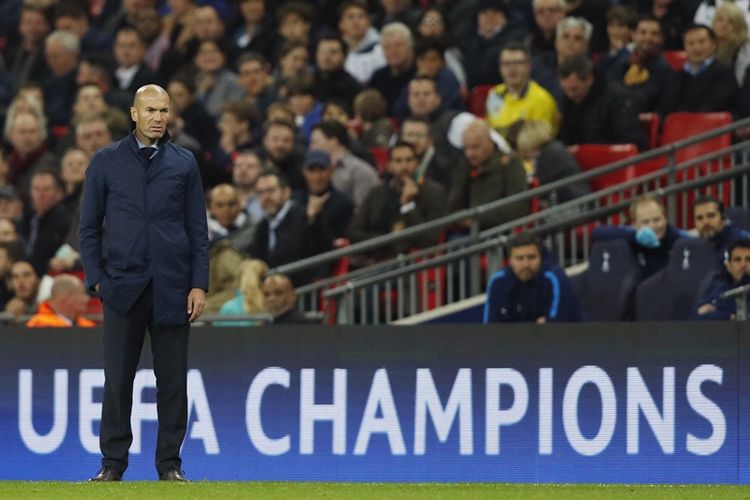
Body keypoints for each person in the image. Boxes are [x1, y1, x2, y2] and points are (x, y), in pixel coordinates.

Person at [79, 84, 209, 482]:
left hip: (172, 288)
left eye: (164, 110)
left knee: (173, 382)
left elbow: (197, 231)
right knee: (117, 379)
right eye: (150, 109)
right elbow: (87, 229)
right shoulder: (105, 162)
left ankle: (169, 465)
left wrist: (198, 284)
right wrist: (98, 280)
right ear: (134, 114)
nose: (158, 116)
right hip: (122, 287)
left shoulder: (185, 163)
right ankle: (112, 465)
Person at [348, 142, 447, 258]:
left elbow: (429, 238)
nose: (404, 166)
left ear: (417, 164)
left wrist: (408, 205)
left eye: (409, 160)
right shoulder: (378, 192)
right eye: (398, 161)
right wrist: (388, 238)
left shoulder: (433, 192)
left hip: (413, 263)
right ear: (389, 166)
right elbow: (353, 232)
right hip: (374, 260)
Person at [484, 233, 586, 323]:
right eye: (519, 258)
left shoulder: (553, 278)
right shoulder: (498, 282)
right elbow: (491, 327)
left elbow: (557, 324)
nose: (526, 264)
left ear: (540, 258)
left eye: (532, 257)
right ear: (510, 260)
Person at [448, 120, 528, 231]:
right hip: (467, 233)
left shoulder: (509, 164)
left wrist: (477, 218)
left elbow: (518, 206)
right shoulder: (465, 166)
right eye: (466, 148)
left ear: (489, 142)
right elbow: (452, 206)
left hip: (500, 232)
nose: (469, 153)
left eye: (475, 147)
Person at [592, 194, 689, 280]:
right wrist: (635, 237)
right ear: (635, 224)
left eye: (657, 219)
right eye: (645, 222)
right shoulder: (631, 234)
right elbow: (598, 233)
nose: (653, 226)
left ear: (665, 217)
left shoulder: (678, 238)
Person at [558, 55, 644, 149]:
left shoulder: (617, 99)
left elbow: (630, 142)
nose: (570, 95)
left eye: (574, 89)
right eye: (565, 90)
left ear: (590, 79)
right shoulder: (567, 101)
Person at [658, 24, 738, 116]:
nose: (696, 47)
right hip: (677, 127)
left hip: (710, 127)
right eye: (690, 43)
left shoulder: (725, 73)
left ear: (713, 44)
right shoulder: (676, 76)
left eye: (702, 42)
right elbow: (665, 108)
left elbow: (716, 105)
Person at [486, 42, 559, 137]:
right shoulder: (495, 93)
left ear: (529, 66)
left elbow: (537, 142)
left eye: (518, 63)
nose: (512, 68)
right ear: (500, 67)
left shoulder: (541, 100)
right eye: (506, 64)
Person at [692, 238, 750, 320]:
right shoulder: (717, 288)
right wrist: (728, 316)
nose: (743, 264)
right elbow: (695, 316)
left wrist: (717, 312)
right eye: (737, 260)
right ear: (728, 266)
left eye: (748, 259)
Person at [693, 195, 750, 265]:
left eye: (711, 215)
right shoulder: (694, 247)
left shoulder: (744, 241)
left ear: (723, 218)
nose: (705, 222)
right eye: (699, 218)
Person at [26, 273, 95, 327]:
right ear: (68, 298)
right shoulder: (40, 325)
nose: (87, 298)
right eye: (82, 294)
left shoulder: (87, 325)